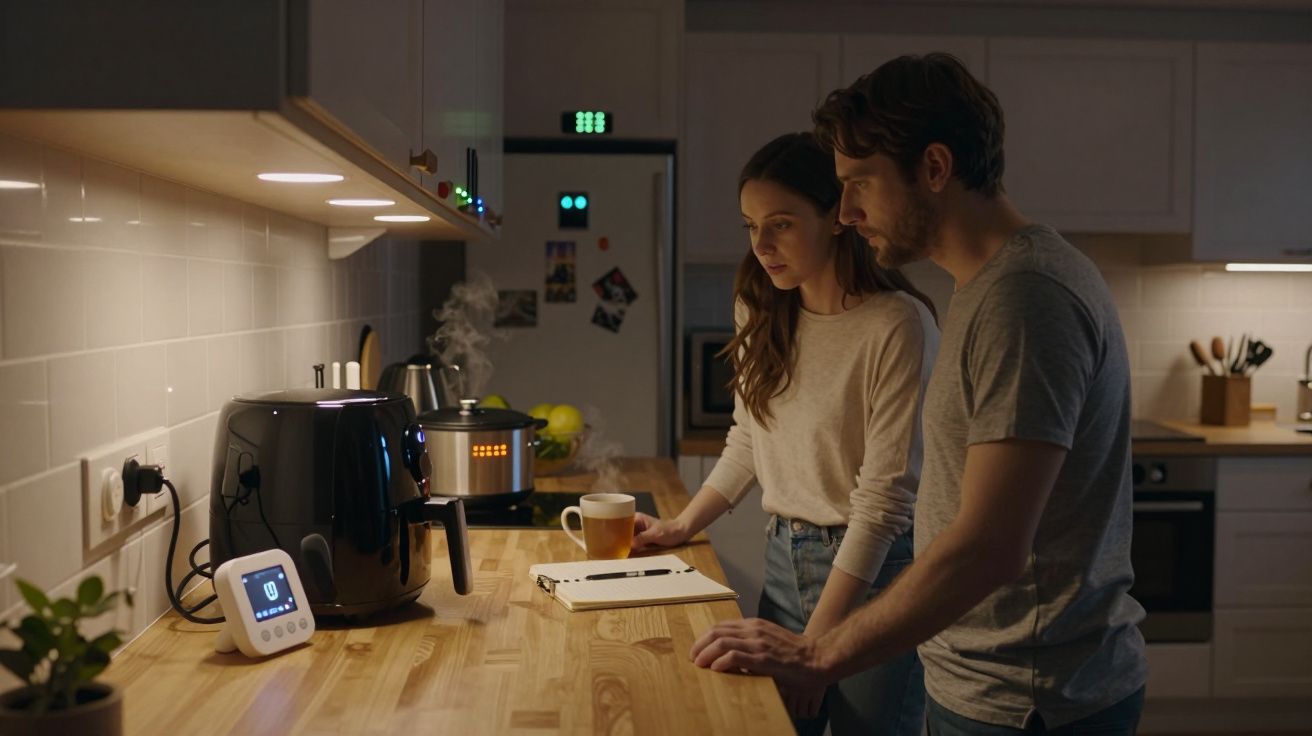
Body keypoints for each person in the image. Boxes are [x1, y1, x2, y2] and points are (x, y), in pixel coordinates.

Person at [688, 53, 1148, 736]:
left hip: (1029, 698)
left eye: (858, 184)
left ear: (934, 168)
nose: (844, 210)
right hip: (987, 680)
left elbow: (990, 545)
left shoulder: (1024, 299)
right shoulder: (988, 287)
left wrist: (820, 650)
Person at [634, 132, 939, 736]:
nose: (762, 246)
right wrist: (680, 526)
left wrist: (818, 648)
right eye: (751, 226)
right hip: (782, 559)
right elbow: (750, 437)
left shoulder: (897, 325)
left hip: (872, 576)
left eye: (781, 224)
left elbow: (882, 504)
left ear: (836, 218)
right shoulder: (762, 304)